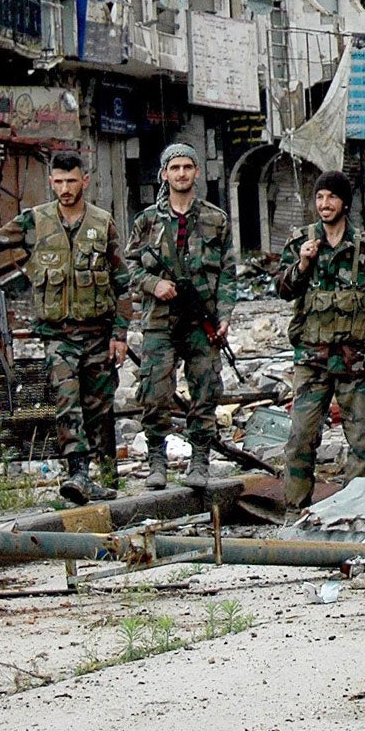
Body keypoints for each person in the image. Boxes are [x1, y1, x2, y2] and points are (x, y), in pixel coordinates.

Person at [0, 151, 129, 504]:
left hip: (98, 333)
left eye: (71, 181)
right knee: (66, 400)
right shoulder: (35, 222)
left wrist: (120, 335)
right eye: (58, 181)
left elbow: (123, 284)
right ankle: (77, 473)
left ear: (84, 181)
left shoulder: (103, 224)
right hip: (58, 336)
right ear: (51, 182)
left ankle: (106, 480)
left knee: (100, 407)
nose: (65, 189)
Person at [275, 169, 365, 514]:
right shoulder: (301, 243)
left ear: (344, 203)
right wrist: (302, 264)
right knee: (300, 438)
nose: (324, 204)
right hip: (312, 362)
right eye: (319, 197)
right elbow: (283, 290)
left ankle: (355, 512)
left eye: (331, 197)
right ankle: (295, 509)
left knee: (361, 444)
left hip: (357, 362)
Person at [124, 142, 235, 489]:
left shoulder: (216, 220)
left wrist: (226, 315)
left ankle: (199, 460)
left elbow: (229, 272)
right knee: (155, 391)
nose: (182, 173)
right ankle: (157, 459)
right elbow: (128, 267)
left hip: (202, 321)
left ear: (197, 172)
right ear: (164, 174)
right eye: (175, 168)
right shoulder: (146, 222)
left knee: (206, 389)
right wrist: (153, 283)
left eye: (187, 167)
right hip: (159, 319)